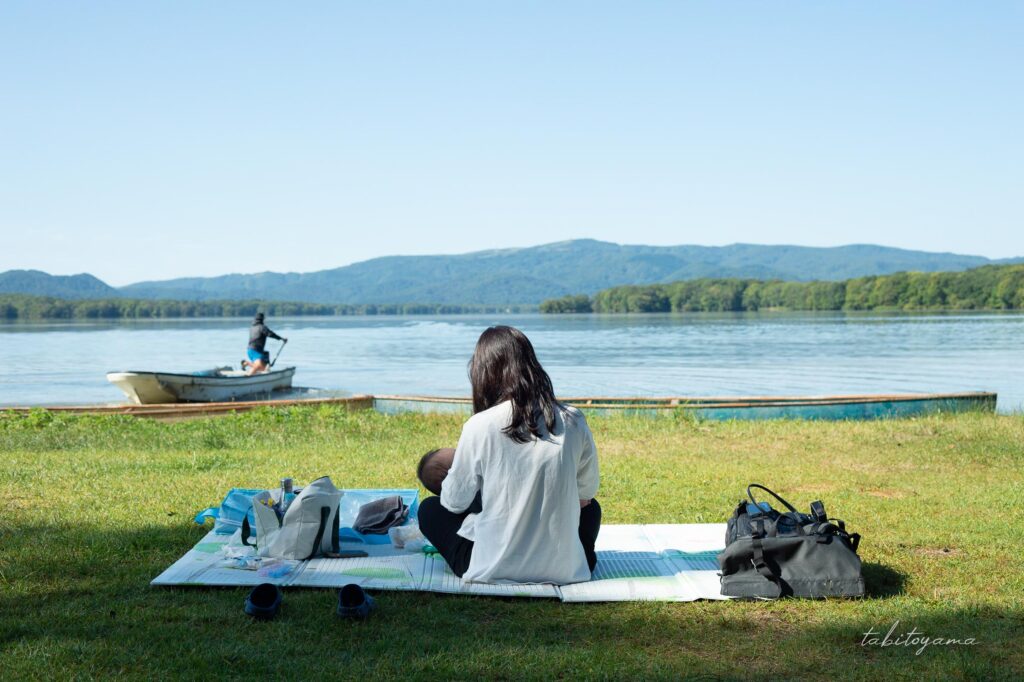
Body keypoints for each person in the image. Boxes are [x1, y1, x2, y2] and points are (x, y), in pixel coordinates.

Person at [417, 325, 601, 584]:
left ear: (484, 373)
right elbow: (586, 495)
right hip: (565, 568)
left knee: (429, 509)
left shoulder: (479, 426)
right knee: (592, 510)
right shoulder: (573, 418)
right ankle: (580, 556)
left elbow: (454, 502)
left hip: (493, 566)